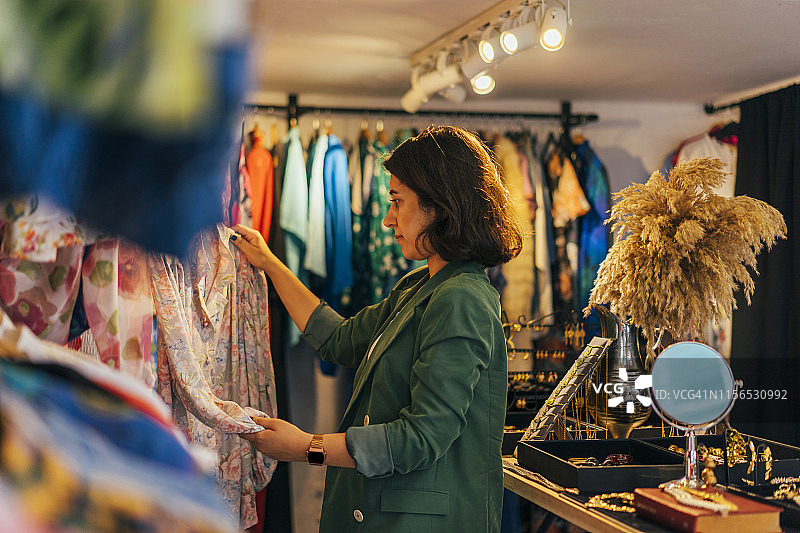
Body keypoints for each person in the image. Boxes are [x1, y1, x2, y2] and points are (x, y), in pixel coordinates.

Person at [231, 125, 523, 532]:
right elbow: (340, 339)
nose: (388, 219)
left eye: (397, 202)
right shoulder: (420, 286)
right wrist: (271, 264)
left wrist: (304, 447)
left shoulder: (462, 298)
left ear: (438, 207)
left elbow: (421, 436)